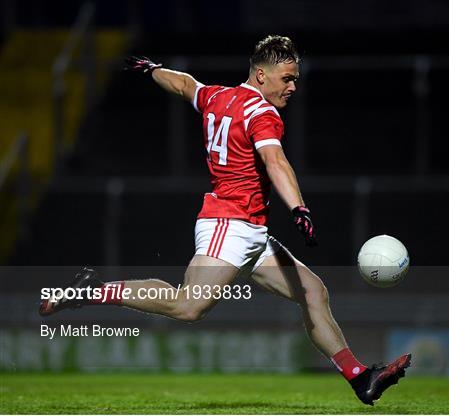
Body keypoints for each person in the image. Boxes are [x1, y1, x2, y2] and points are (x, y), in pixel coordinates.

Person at [40, 35, 410, 406]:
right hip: (227, 224)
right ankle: (91, 290)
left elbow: (184, 84)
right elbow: (275, 162)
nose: (293, 86)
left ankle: (360, 377)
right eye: (287, 78)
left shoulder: (217, 97)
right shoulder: (261, 113)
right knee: (189, 306)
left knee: (313, 291)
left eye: (295, 78)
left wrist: (152, 70)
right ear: (261, 76)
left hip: (252, 232)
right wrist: (298, 207)